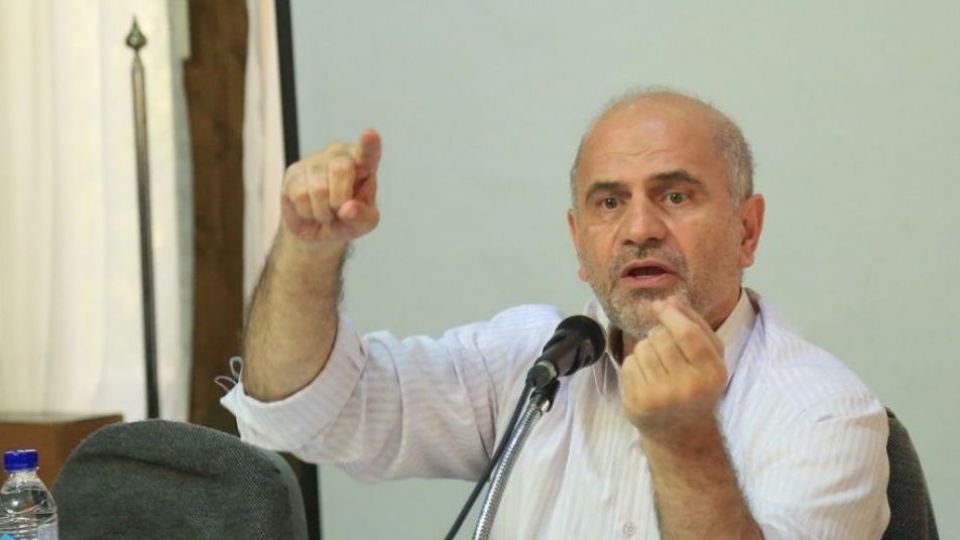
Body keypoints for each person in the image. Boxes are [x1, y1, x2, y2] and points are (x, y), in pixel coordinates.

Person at [222, 89, 890, 539]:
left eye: (675, 196)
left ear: (748, 230)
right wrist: (309, 251)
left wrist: (684, 438)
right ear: (579, 243)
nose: (639, 229)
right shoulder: (538, 360)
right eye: (609, 203)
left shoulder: (825, 414)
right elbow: (308, 412)